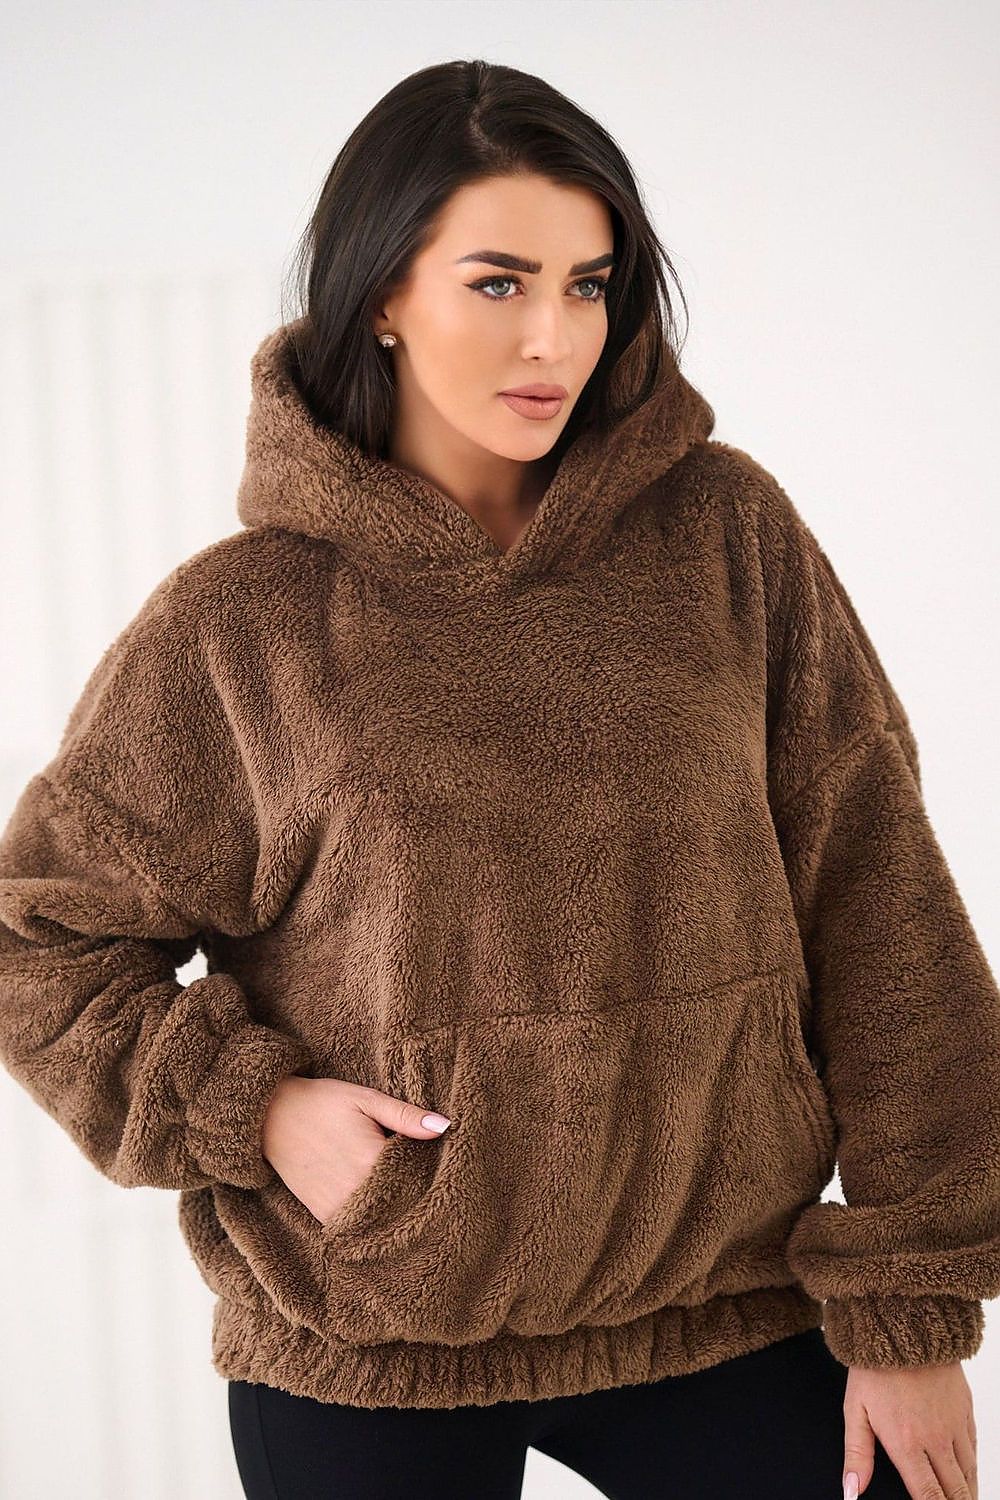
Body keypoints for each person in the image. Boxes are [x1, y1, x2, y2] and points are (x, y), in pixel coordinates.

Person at [0, 57, 994, 1500]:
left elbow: (882, 904)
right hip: (365, 1338)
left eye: (590, 286)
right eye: (498, 282)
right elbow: (38, 939)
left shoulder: (727, 538)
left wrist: (912, 1305)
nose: (553, 338)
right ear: (379, 298)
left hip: (727, 1303)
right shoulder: (241, 623)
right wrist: (256, 1109)